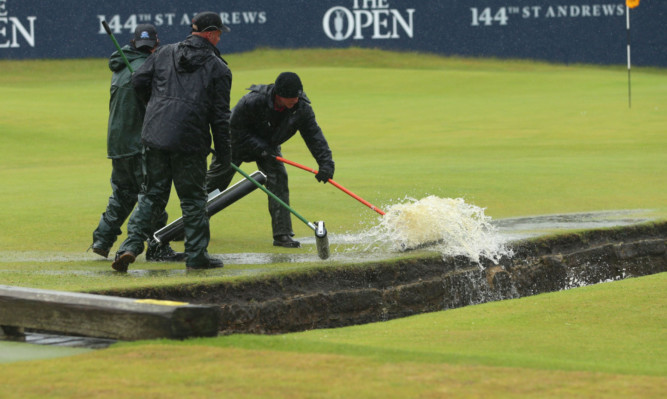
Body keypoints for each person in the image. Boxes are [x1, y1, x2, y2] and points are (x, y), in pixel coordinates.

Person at [111, 12, 232, 272]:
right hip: (190, 141)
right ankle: (197, 256)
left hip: (155, 136)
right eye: (219, 33)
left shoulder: (165, 52)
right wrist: (224, 154)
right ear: (210, 33)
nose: (220, 37)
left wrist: (156, 106)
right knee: (193, 200)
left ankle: (129, 247)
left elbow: (138, 81)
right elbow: (220, 117)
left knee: (152, 196)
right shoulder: (219, 68)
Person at [206, 72, 335, 248]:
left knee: (278, 179)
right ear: (278, 94)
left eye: (297, 96)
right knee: (215, 183)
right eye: (290, 98)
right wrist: (260, 148)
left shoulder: (301, 108)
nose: (295, 101)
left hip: (269, 146)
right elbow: (234, 128)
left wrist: (326, 163)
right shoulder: (252, 101)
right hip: (234, 144)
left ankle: (282, 234)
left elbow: (314, 136)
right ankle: (189, 226)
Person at [91, 24, 184, 262]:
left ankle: (103, 238)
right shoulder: (148, 68)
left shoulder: (121, 66)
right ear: (156, 44)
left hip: (117, 143)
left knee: (123, 192)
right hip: (141, 142)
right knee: (153, 194)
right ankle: (155, 246)